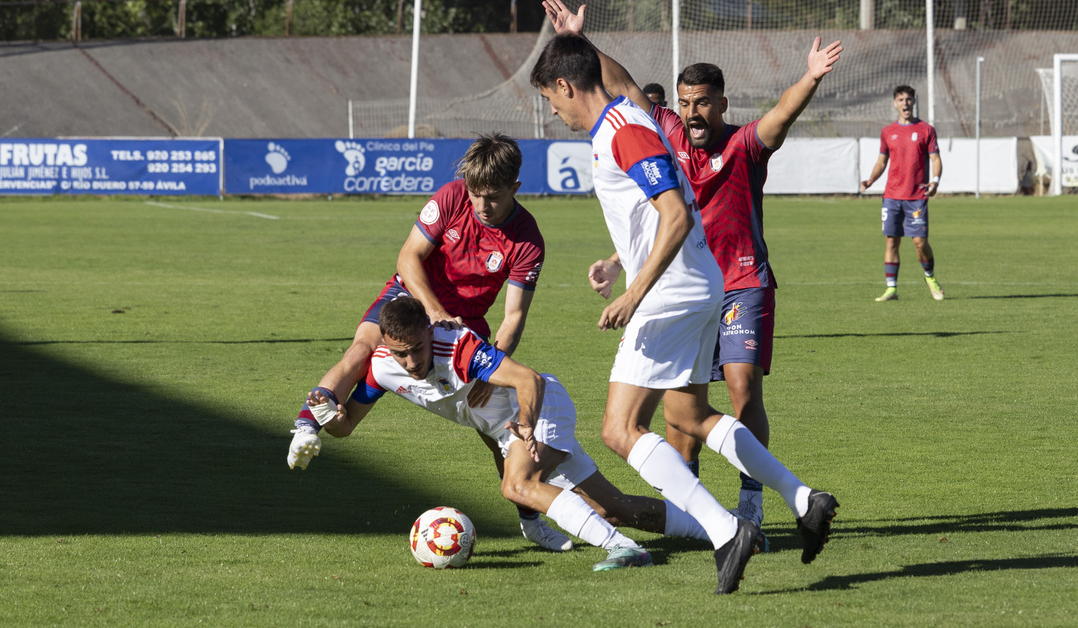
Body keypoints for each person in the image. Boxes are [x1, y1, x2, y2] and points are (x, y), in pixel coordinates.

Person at [529, 33, 838, 595]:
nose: (553, 111)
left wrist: (633, 292)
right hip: (700, 285)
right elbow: (617, 81)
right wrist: (574, 36)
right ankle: (803, 498)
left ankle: (724, 530)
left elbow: (673, 216)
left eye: (552, 99)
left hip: (669, 293)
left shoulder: (624, 135)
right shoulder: (624, 116)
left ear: (566, 86)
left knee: (620, 429)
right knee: (691, 416)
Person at [288, 133, 572, 552]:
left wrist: (494, 368)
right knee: (365, 346)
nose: (480, 205)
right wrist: (434, 310)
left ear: (515, 188)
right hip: (411, 296)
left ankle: (530, 519)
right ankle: (307, 424)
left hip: (466, 324)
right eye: (475, 195)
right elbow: (408, 257)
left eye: (492, 197)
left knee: (493, 426)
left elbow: (513, 317)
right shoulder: (452, 197)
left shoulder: (527, 240)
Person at [311, 296, 714, 571]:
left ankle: (624, 549)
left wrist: (526, 423)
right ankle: (725, 530)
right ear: (386, 344)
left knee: (516, 484)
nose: (412, 360)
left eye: (418, 347)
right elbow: (344, 428)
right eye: (402, 352)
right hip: (509, 432)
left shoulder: (458, 346)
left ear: (430, 332)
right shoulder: (381, 369)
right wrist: (326, 414)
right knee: (613, 508)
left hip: (540, 409)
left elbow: (529, 380)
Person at [860, 85, 944, 302]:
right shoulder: (888, 132)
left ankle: (930, 277)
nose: (905, 103)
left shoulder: (926, 130)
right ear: (894, 103)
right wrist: (870, 180)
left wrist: (935, 181)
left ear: (914, 102)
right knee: (891, 241)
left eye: (908, 99)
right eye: (900, 99)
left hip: (917, 196)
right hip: (892, 196)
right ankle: (891, 288)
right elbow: (882, 161)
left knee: (919, 242)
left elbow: (935, 159)